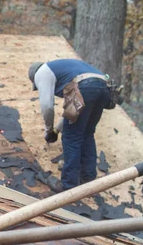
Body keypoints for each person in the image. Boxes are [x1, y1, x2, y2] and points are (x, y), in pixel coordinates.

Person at [28, 59, 111, 191]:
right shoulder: (64, 71)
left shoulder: (41, 73)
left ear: (34, 78)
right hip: (104, 87)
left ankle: (68, 184)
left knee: (71, 137)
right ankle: (88, 178)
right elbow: (71, 112)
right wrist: (56, 130)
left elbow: (47, 106)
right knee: (87, 134)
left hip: (85, 86)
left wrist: (49, 130)